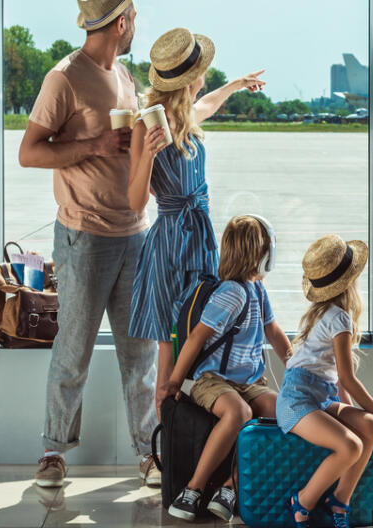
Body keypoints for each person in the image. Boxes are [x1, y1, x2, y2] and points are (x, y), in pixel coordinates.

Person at [17, 0, 160, 488]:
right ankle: (54, 451)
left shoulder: (124, 77)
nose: (136, 27)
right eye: (135, 19)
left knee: (140, 355)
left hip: (135, 234)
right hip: (84, 236)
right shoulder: (64, 77)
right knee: (73, 349)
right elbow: (29, 152)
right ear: (122, 23)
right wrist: (94, 146)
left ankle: (150, 452)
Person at [127, 27, 266, 381]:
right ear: (190, 79)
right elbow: (135, 202)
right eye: (201, 71)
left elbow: (208, 103)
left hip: (198, 236)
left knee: (197, 325)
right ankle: (164, 419)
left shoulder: (186, 115)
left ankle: (187, 417)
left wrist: (235, 85)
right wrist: (146, 155)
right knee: (169, 340)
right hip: (171, 242)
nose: (205, 78)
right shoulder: (149, 125)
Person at [164, 216, 292, 522]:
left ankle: (231, 485)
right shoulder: (232, 293)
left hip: (248, 381)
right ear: (258, 253)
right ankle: (192, 490)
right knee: (239, 413)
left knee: (285, 413)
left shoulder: (257, 290)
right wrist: (174, 381)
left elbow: (273, 331)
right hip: (213, 380)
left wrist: (297, 368)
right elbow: (197, 338)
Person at [277, 235, 373, 528]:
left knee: (368, 426)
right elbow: (348, 377)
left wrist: (357, 414)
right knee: (351, 447)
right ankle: (303, 502)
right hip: (298, 401)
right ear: (350, 282)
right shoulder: (339, 319)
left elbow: (337, 379)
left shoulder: (322, 314)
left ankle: (340, 500)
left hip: (319, 397)